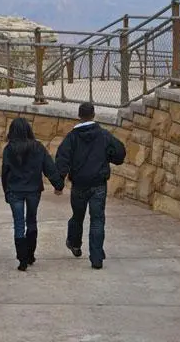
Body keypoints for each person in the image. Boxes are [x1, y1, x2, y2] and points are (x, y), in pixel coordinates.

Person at [56, 102, 126, 269]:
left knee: (77, 216)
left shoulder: (72, 137)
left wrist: (59, 183)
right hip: (98, 185)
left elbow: (62, 159)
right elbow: (119, 152)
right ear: (93, 115)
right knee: (97, 220)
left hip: (79, 185)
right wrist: (110, 157)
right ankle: (96, 257)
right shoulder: (104, 135)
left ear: (79, 116)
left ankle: (74, 243)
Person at [2, 118, 64, 271]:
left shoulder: (9, 149)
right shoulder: (38, 147)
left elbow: (5, 173)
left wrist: (6, 192)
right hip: (33, 191)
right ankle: (30, 255)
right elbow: (49, 167)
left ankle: (22, 260)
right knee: (31, 221)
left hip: (15, 190)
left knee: (18, 224)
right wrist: (58, 185)